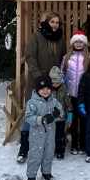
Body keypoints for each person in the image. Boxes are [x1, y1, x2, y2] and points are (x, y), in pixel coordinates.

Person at [18, 12, 65, 163]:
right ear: (46, 22)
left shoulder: (60, 39)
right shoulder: (36, 37)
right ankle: (23, 149)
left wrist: (58, 75)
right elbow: (30, 57)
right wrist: (39, 76)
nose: (55, 25)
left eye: (57, 22)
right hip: (36, 82)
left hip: (53, 84)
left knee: (50, 112)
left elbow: (62, 58)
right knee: (30, 113)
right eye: (52, 22)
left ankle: (48, 147)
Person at [25, 76, 65, 180]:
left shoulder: (54, 101)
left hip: (50, 135)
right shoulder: (32, 102)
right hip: (36, 135)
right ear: (37, 90)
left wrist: (58, 114)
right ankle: (31, 177)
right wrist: (41, 119)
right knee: (35, 156)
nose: (45, 91)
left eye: (48, 88)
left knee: (48, 154)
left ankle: (46, 173)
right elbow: (28, 117)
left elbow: (61, 112)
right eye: (42, 89)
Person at [61, 30, 90, 155]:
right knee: (72, 120)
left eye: (81, 42)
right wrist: (64, 89)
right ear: (73, 43)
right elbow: (62, 74)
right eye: (76, 42)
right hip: (70, 94)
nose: (78, 44)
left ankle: (83, 144)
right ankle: (74, 144)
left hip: (83, 96)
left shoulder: (88, 58)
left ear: (84, 44)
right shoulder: (66, 57)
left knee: (83, 120)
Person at [49, 66, 73, 159]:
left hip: (61, 118)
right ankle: (50, 150)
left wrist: (70, 116)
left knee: (60, 135)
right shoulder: (47, 90)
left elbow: (68, 104)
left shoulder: (64, 89)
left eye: (57, 82)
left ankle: (60, 150)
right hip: (50, 118)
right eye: (53, 82)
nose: (55, 84)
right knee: (50, 136)